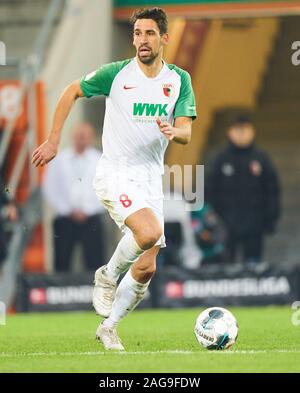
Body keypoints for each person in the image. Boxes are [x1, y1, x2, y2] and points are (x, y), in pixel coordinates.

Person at [32, 7, 196, 351]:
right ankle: (106, 276)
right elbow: (71, 91)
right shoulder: (117, 74)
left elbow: (186, 133)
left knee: (148, 266)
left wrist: (173, 130)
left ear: (164, 38)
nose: (142, 40)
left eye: (149, 33)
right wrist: (52, 139)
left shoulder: (178, 79)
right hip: (115, 173)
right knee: (148, 232)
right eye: (137, 33)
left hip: (150, 179)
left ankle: (109, 327)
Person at [206, 115, 280, 266]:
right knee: (226, 266)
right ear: (229, 132)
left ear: (252, 132)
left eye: (245, 129)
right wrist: (212, 219)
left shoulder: (261, 158)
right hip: (226, 224)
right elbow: (209, 190)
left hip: (255, 225)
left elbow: (272, 189)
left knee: (253, 266)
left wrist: (270, 218)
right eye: (237, 130)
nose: (241, 134)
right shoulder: (221, 159)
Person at [42, 123, 106, 272]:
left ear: (91, 138)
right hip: (65, 218)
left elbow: (108, 188)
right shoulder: (60, 159)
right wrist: (67, 209)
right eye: (79, 136)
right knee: (62, 260)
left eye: (85, 136)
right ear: (73, 137)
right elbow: (50, 188)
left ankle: (96, 293)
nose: (82, 139)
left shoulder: (100, 159)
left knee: (95, 261)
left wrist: (89, 209)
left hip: (91, 218)